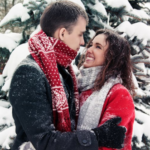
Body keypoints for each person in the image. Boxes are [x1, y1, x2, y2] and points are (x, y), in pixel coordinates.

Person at [9, 1, 126, 150]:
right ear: (63, 33)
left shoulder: (62, 70)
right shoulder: (29, 73)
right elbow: (44, 141)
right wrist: (97, 136)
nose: (83, 42)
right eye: (80, 34)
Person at [77, 29, 135, 150]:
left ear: (112, 57)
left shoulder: (119, 94)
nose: (89, 50)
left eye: (98, 47)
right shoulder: (77, 86)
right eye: (91, 45)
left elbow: (110, 145)